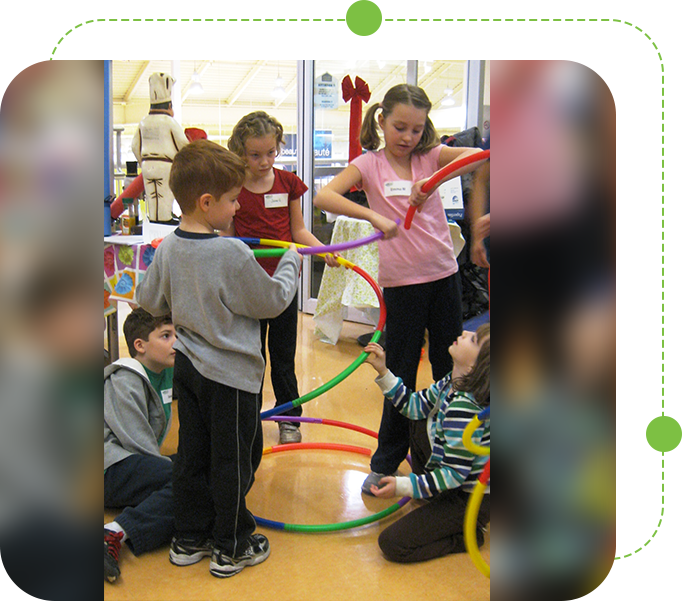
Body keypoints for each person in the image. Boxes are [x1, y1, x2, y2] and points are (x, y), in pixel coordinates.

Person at [135, 139, 302, 578]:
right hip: (230, 377)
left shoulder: (170, 247)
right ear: (207, 202)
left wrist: (175, 284)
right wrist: (290, 261)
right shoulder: (231, 252)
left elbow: (147, 299)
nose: (236, 209)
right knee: (233, 460)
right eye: (231, 201)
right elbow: (271, 302)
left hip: (187, 367)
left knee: (192, 455)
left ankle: (188, 539)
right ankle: (231, 545)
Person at [313, 84, 483, 494]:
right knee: (400, 371)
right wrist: (374, 215)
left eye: (416, 128)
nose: (407, 137)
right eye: (399, 127)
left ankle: (448, 463)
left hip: (443, 275)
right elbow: (324, 195)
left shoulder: (429, 156)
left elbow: (478, 157)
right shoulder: (369, 165)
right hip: (403, 285)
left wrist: (434, 181)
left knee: (452, 373)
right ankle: (387, 461)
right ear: (382, 121)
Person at [224, 111, 339, 444]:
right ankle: (248, 419)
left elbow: (299, 229)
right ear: (240, 152)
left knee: (283, 357)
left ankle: (289, 419)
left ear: (279, 148)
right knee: (251, 356)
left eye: (271, 153)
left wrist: (322, 250)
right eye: (255, 155)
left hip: (285, 284)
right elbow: (230, 237)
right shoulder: (233, 187)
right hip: (249, 285)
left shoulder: (288, 183)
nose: (264, 161)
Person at [363, 323, 490, 563]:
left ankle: (468, 534)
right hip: (454, 480)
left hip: (470, 498)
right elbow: (412, 406)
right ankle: (431, 494)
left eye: (472, 340)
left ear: (475, 367)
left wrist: (404, 486)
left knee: (392, 544)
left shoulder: (464, 409)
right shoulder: (450, 382)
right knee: (421, 416)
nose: (464, 333)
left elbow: (454, 475)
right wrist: (383, 371)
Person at [104, 308, 177, 583]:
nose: (176, 342)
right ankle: (113, 531)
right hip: (105, 466)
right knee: (185, 481)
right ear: (140, 346)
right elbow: (136, 444)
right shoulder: (126, 380)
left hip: (125, 460)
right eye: (166, 336)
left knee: (198, 471)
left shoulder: (165, 372)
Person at [131, 72, 189, 223]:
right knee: (164, 194)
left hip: (147, 164)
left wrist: (143, 161)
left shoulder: (143, 122)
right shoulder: (169, 122)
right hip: (166, 164)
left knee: (152, 195)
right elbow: (184, 146)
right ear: (169, 106)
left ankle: (155, 218)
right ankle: (164, 219)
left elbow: (135, 145)